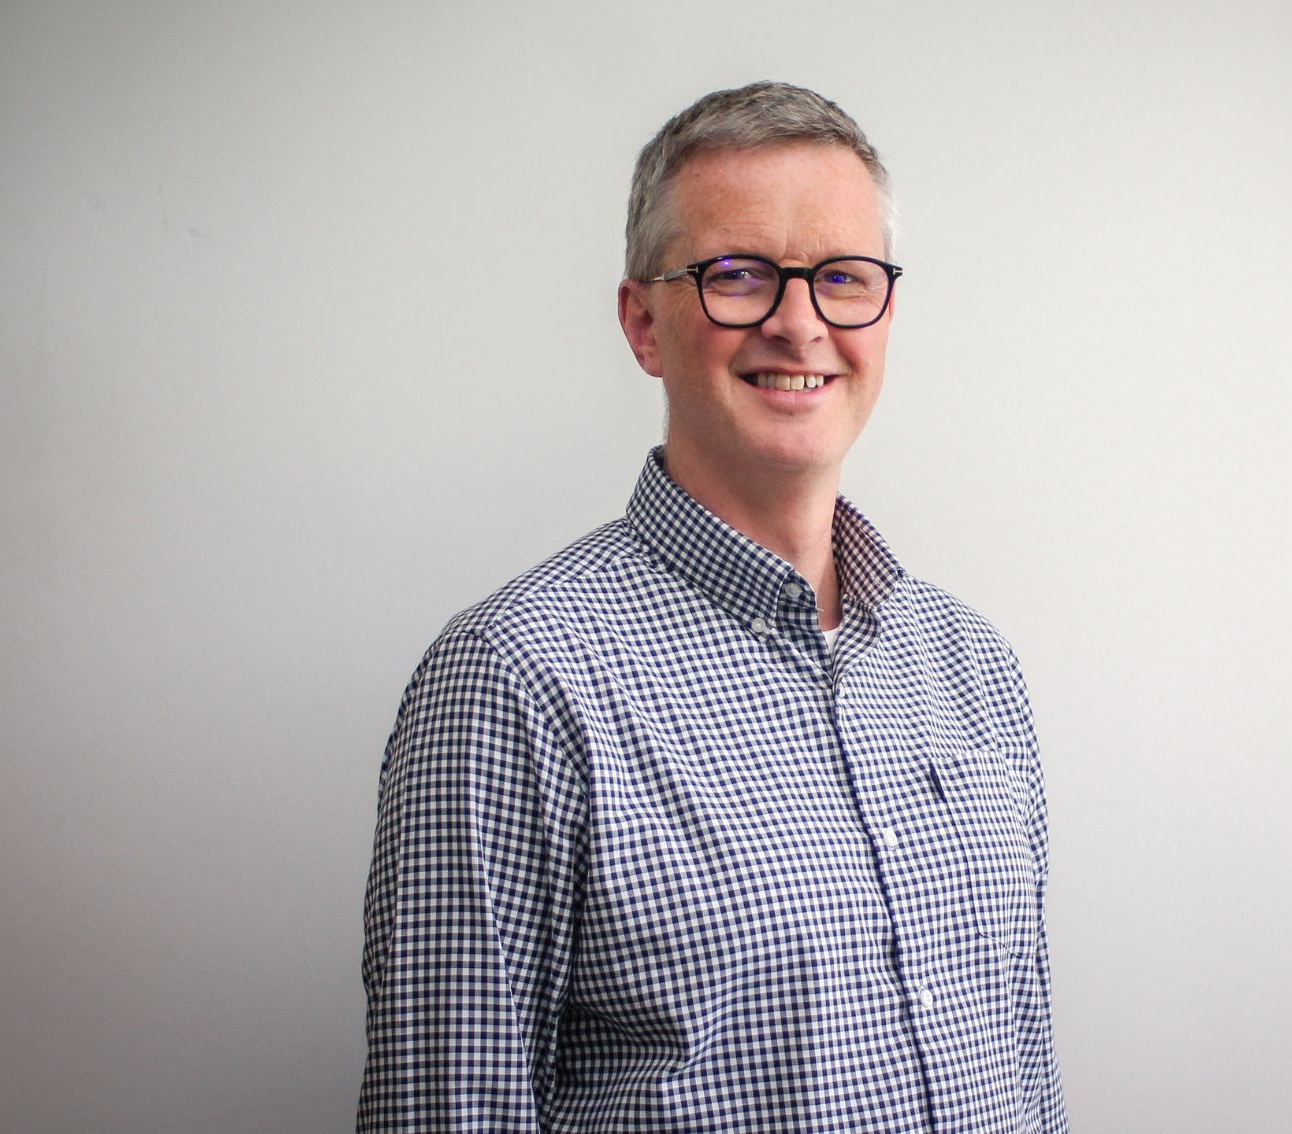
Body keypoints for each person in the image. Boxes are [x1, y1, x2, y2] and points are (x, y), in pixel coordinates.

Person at [358, 82, 1065, 1132]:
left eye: (842, 277)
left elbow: (1026, 1062)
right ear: (644, 323)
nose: (799, 322)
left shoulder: (973, 666)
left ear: (886, 311)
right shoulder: (514, 679)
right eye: (737, 275)